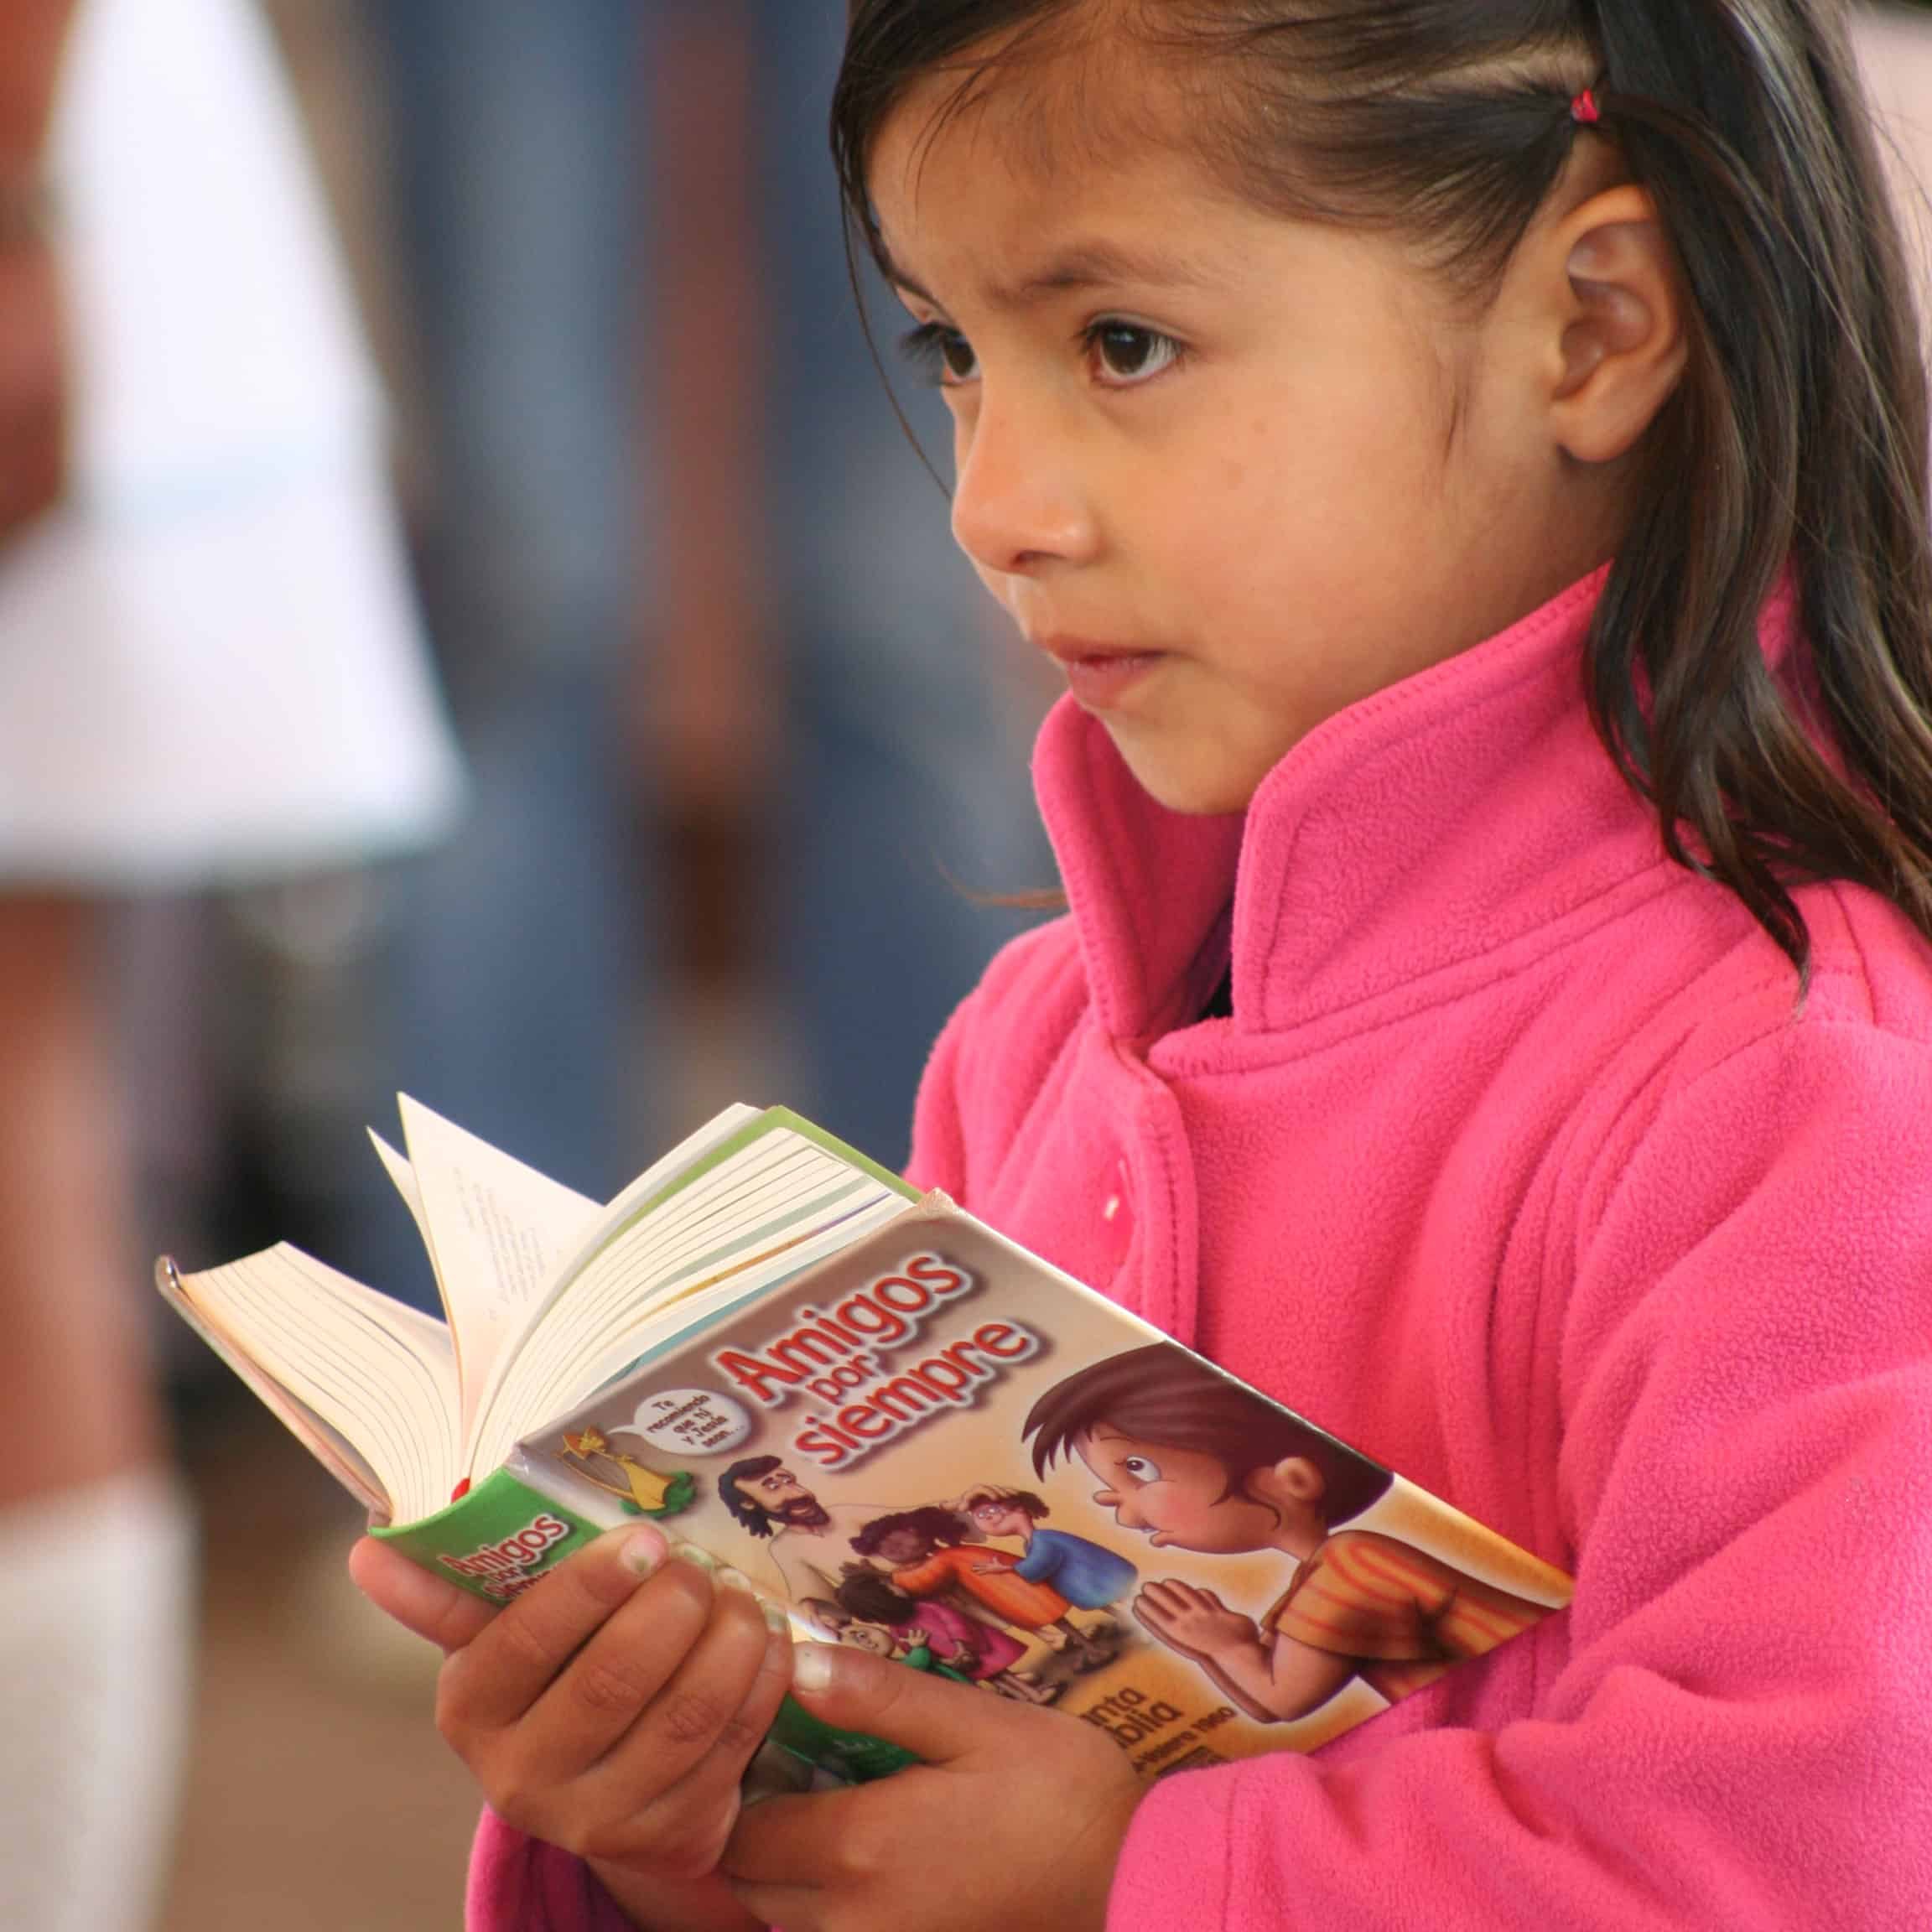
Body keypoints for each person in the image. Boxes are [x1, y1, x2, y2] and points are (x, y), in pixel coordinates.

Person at [351, 3, 1932, 1928]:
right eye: (952, 352)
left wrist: (1132, 1882)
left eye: (1123, 344)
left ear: (1593, 325)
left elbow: (1812, 1864)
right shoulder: (1029, 1042)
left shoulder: (1799, 1089)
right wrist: (686, 1824)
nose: (994, 507)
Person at [1025, 1343, 1545, 1720]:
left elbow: (1283, 1699)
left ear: (1291, 1479)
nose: (1129, 1515)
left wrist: (1223, 1646)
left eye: (1138, 1471)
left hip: (1544, 1698)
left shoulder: (1354, 1563)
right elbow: (1267, 1710)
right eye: (1114, 1488)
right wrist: (1217, 1648)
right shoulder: (1323, 1571)